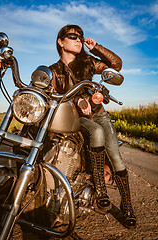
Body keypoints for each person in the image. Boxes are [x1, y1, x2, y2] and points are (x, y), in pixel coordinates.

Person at [49, 24, 136, 229]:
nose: (78, 39)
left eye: (80, 36)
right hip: (75, 118)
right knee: (95, 133)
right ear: (61, 42)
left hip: (99, 113)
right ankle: (100, 190)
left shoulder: (87, 62)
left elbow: (116, 65)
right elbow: (44, 90)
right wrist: (76, 101)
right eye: (72, 36)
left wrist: (96, 47)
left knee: (116, 158)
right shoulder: (53, 70)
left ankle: (128, 206)